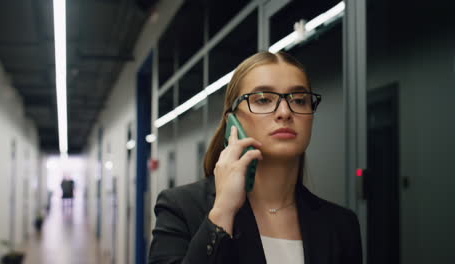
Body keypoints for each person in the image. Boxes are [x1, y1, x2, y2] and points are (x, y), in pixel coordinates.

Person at [148, 51, 362, 264]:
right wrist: (223, 211)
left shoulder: (341, 225)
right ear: (232, 120)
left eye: (298, 100)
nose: (285, 112)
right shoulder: (182, 208)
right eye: (263, 100)